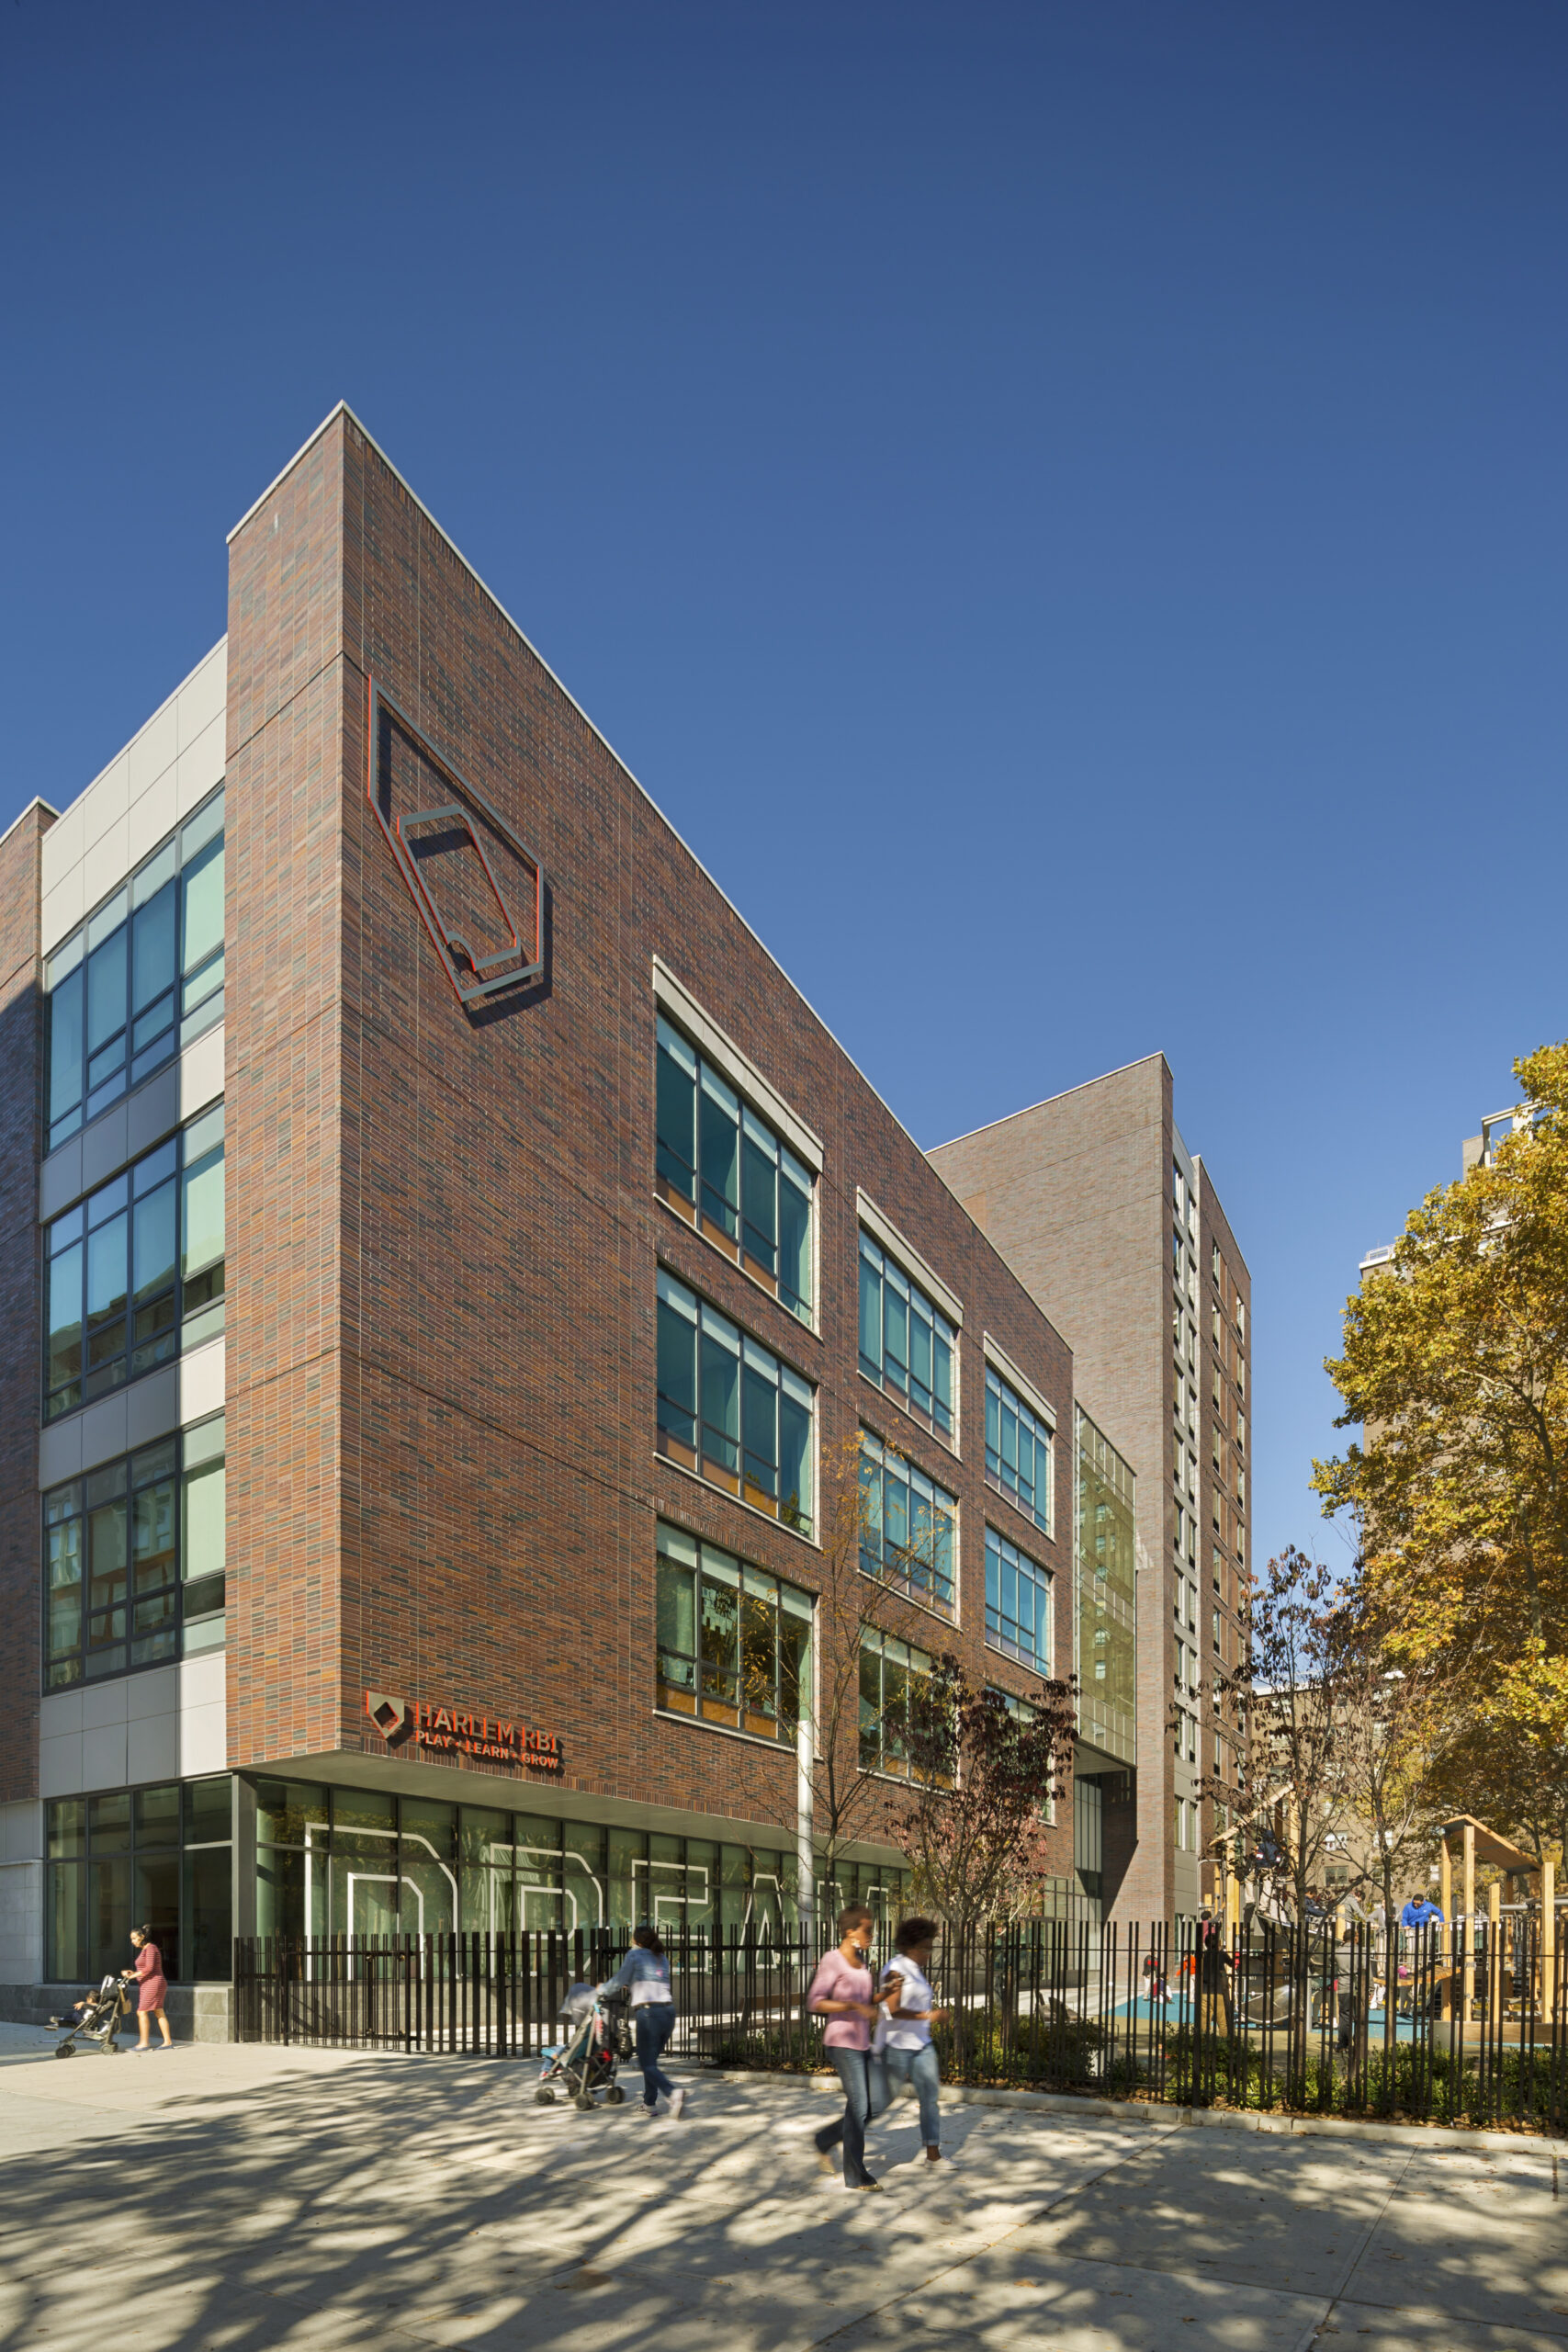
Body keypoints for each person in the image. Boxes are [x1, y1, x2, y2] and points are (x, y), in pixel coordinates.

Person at [809, 1903, 886, 2190]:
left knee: (874, 2104)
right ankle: (856, 2175)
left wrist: (882, 1996)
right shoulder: (833, 1959)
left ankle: (825, 2138)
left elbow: (864, 2004)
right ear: (851, 1930)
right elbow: (815, 2001)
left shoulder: (861, 1962)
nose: (872, 1935)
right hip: (842, 2042)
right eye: (868, 1930)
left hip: (862, 2041)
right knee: (860, 2105)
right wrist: (852, 2005)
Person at [875, 1917, 948, 2163]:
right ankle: (841, 2133)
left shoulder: (916, 1970)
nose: (929, 1953)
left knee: (930, 2098)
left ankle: (934, 2156)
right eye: (924, 1948)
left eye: (931, 1948)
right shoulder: (894, 1969)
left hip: (921, 2045)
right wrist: (930, 2015)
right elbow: (891, 2010)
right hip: (896, 2045)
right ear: (909, 1946)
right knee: (880, 2102)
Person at [597, 1924, 683, 2120]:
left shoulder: (634, 1955)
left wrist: (600, 1990)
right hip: (668, 2012)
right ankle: (649, 2104)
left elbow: (618, 1982)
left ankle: (673, 2094)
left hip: (649, 2013)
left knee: (646, 2063)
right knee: (651, 2062)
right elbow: (652, 1980)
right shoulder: (661, 1957)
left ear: (635, 1940)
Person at [121, 1927, 171, 2050]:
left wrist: (132, 1976)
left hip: (153, 1983)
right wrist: (132, 1973)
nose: (132, 1941)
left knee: (141, 2011)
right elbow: (144, 1969)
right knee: (159, 2012)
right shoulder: (145, 1950)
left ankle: (144, 2043)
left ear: (142, 1937)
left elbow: (149, 1969)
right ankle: (168, 2042)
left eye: (134, 1938)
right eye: (131, 1939)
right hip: (149, 1983)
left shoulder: (151, 1948)